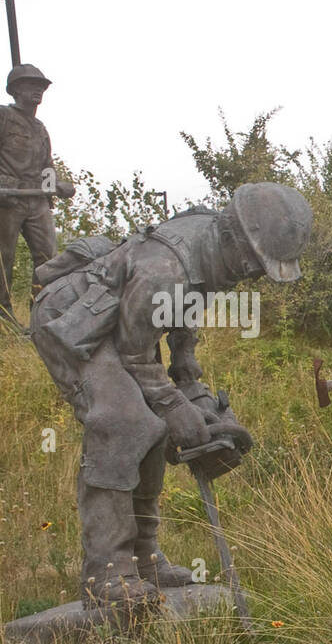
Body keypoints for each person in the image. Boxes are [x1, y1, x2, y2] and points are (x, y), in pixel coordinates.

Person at [30, 182, 311, 608]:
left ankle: (145, 558)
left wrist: (195, 396)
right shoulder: (167, 270)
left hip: (121, 325)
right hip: (71, 322)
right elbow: (136, 356)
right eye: (254, 263)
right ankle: (106, 573)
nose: (253, 274)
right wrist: (176, 408)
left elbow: (182, 326)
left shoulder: (217, 250)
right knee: (123, 421)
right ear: (234, 237)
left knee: (157, 427)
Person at [0, 64, 75, 329]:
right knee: (3, 258)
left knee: (49, 259)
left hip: (36, 200)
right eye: (31, 86)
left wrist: (58, 185)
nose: (37, 91)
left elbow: (46, 167)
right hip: (8, 199)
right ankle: (4, 316)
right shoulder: (4, 117)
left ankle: (41, 314)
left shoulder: (40, 128)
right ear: (15, 90)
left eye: (41, 87)